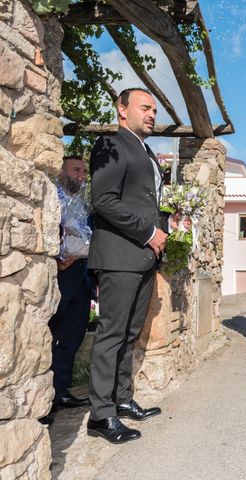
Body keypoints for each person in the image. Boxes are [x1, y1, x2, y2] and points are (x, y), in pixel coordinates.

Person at [87, 88, 168, 443]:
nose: (152, 114)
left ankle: (121, 399)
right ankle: (100, 416)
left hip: (144, 258)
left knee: (130, 334)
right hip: (120, 255)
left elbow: (143, 199)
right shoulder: (110, 144)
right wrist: (149, 231)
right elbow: (103, 200)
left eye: (154, 109)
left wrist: (163, 228)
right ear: (122, 110)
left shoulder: (146, 150)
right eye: (145, 108)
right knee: (111, 334)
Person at [42, 157, 94, 425]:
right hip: (61, 275)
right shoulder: (52, 197)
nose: (81, 175)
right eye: (76, 170)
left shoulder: (83, 202)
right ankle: (45, 399)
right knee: (51, 335)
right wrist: (61, 257)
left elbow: (87, 233)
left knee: (73, 336)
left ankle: (61, 391)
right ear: (62, 172)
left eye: (84, 171)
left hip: (82, 277)